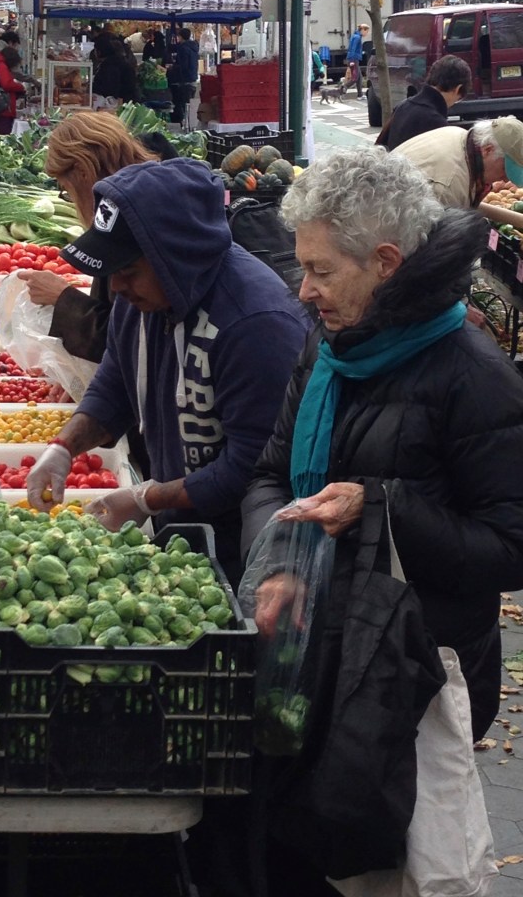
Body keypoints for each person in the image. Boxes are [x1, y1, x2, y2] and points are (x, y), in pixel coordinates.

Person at [240, 146, 523, 895]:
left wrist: (383, 505)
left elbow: (510, 547)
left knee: (380, 864)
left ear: (386, 262)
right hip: (315, 657)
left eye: (321, 271)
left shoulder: (474, 377)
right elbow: (270, 474)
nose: (303, 289)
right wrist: (281, 562)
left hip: (410, 677)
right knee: (302, 850)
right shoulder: (329, 345)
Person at [26, 157, 309, 586]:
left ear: (176, 256)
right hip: (182, 536)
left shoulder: (257, 325)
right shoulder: (143, 300)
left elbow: (252, 467)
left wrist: (148, 497)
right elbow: (116, 379)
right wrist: (64, 446)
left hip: (248, 553)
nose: (115, 287)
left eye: (128, 271)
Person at [17, 110, 157, 363]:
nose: (71, 200)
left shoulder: (129, 221)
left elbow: (131, 339)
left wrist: (63, 298)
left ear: (82, 171)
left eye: (66, 190)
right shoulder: (141, 199)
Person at [394, 115, 523, 230]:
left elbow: (462, 203)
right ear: (488, 150)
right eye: (505, 169)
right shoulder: (447, 185)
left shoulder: (459, 135)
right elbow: (437, 242)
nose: (506, 179)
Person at [377, 54, 472, 149]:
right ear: (458, 89)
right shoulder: (438, 125)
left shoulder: (402, 107)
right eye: (459, 99)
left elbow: (379, 147)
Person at [0, 46, 26, 136]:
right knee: (3, 134)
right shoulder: (2, 66)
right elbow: (7, 84)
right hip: (3, 109)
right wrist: (20, 87)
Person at [92, 33, 140, 105]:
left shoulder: (109, 66)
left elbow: (108, 89)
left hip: (119, 104)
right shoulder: (120, 61)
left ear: (99, 52)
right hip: (129, 101)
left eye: (95, 50)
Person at [167, 27, 199, 124]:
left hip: (185, 80)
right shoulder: (194, 48)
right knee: (189, 104)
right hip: (193, 79)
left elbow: (183, 66)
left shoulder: (183, 48)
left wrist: (172, 67)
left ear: (180, 37)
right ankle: (190, 123)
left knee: (183, 105)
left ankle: (185, 124)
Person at [345, 22, 368, 98]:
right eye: (366, 31)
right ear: (363, 30)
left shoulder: (356, 36)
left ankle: (360, 95)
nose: (367, 33)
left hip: (354, 58)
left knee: (359, 77)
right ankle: (344, 87)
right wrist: (352, 60)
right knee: (355, 77)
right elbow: (352, 49)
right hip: (354, 59)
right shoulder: (357, 37)